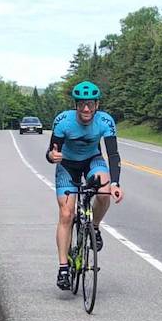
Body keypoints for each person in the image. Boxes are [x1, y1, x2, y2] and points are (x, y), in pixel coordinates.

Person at [46, 80, 124, 290]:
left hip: (92, 161)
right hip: (67, 166)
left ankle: (94, 227)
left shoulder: (105, 121)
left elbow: (113, 154)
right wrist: (52, 156)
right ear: (76, 105)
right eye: (81, 104)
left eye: (90, 104)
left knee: (104, 192)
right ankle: (63, 268)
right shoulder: (63, 121)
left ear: (97, 105)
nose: (86, 109)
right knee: (66, 214)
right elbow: (51, 152)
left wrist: (115, 183)